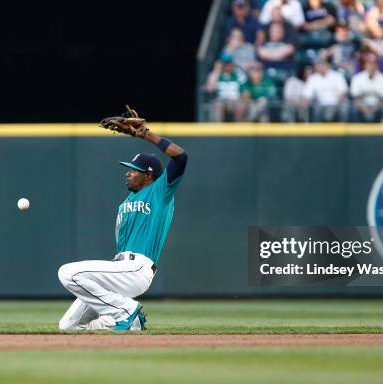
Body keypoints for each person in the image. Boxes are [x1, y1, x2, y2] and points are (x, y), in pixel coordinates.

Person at [58, 125, 188, 331]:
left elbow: (181, 157)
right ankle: (130, 323)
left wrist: (147, 135)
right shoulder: (127, 200)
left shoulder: (160, 192)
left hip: (137, 268)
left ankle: (125, 310)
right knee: (68, 326)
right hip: (119, 269)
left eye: (134, 170)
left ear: (149, 175)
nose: (128, 173)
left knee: (67, 273)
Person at [204, 54, 247, 121]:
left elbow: (245, 92)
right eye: (225, 64)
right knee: (218, 106)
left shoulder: (239, 74)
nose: (227, 66)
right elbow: (209, 89)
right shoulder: (216, 74)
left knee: (241, 106)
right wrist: (216, 70)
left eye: (229, 64)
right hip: (220, 100)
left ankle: (239, 129)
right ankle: (218, 130)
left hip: (236, 100)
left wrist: (241, 100)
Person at [350, 54, 383, 122]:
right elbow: (355, 97)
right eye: (369, 63)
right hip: (362, 106)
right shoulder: (357, 78)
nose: (371, 66)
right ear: (365, 65)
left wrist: (374, 109)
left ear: (377, 65)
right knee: (353, 108)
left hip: (378, 107)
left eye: (373, 63)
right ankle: (357, 131)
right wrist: (364, 108)